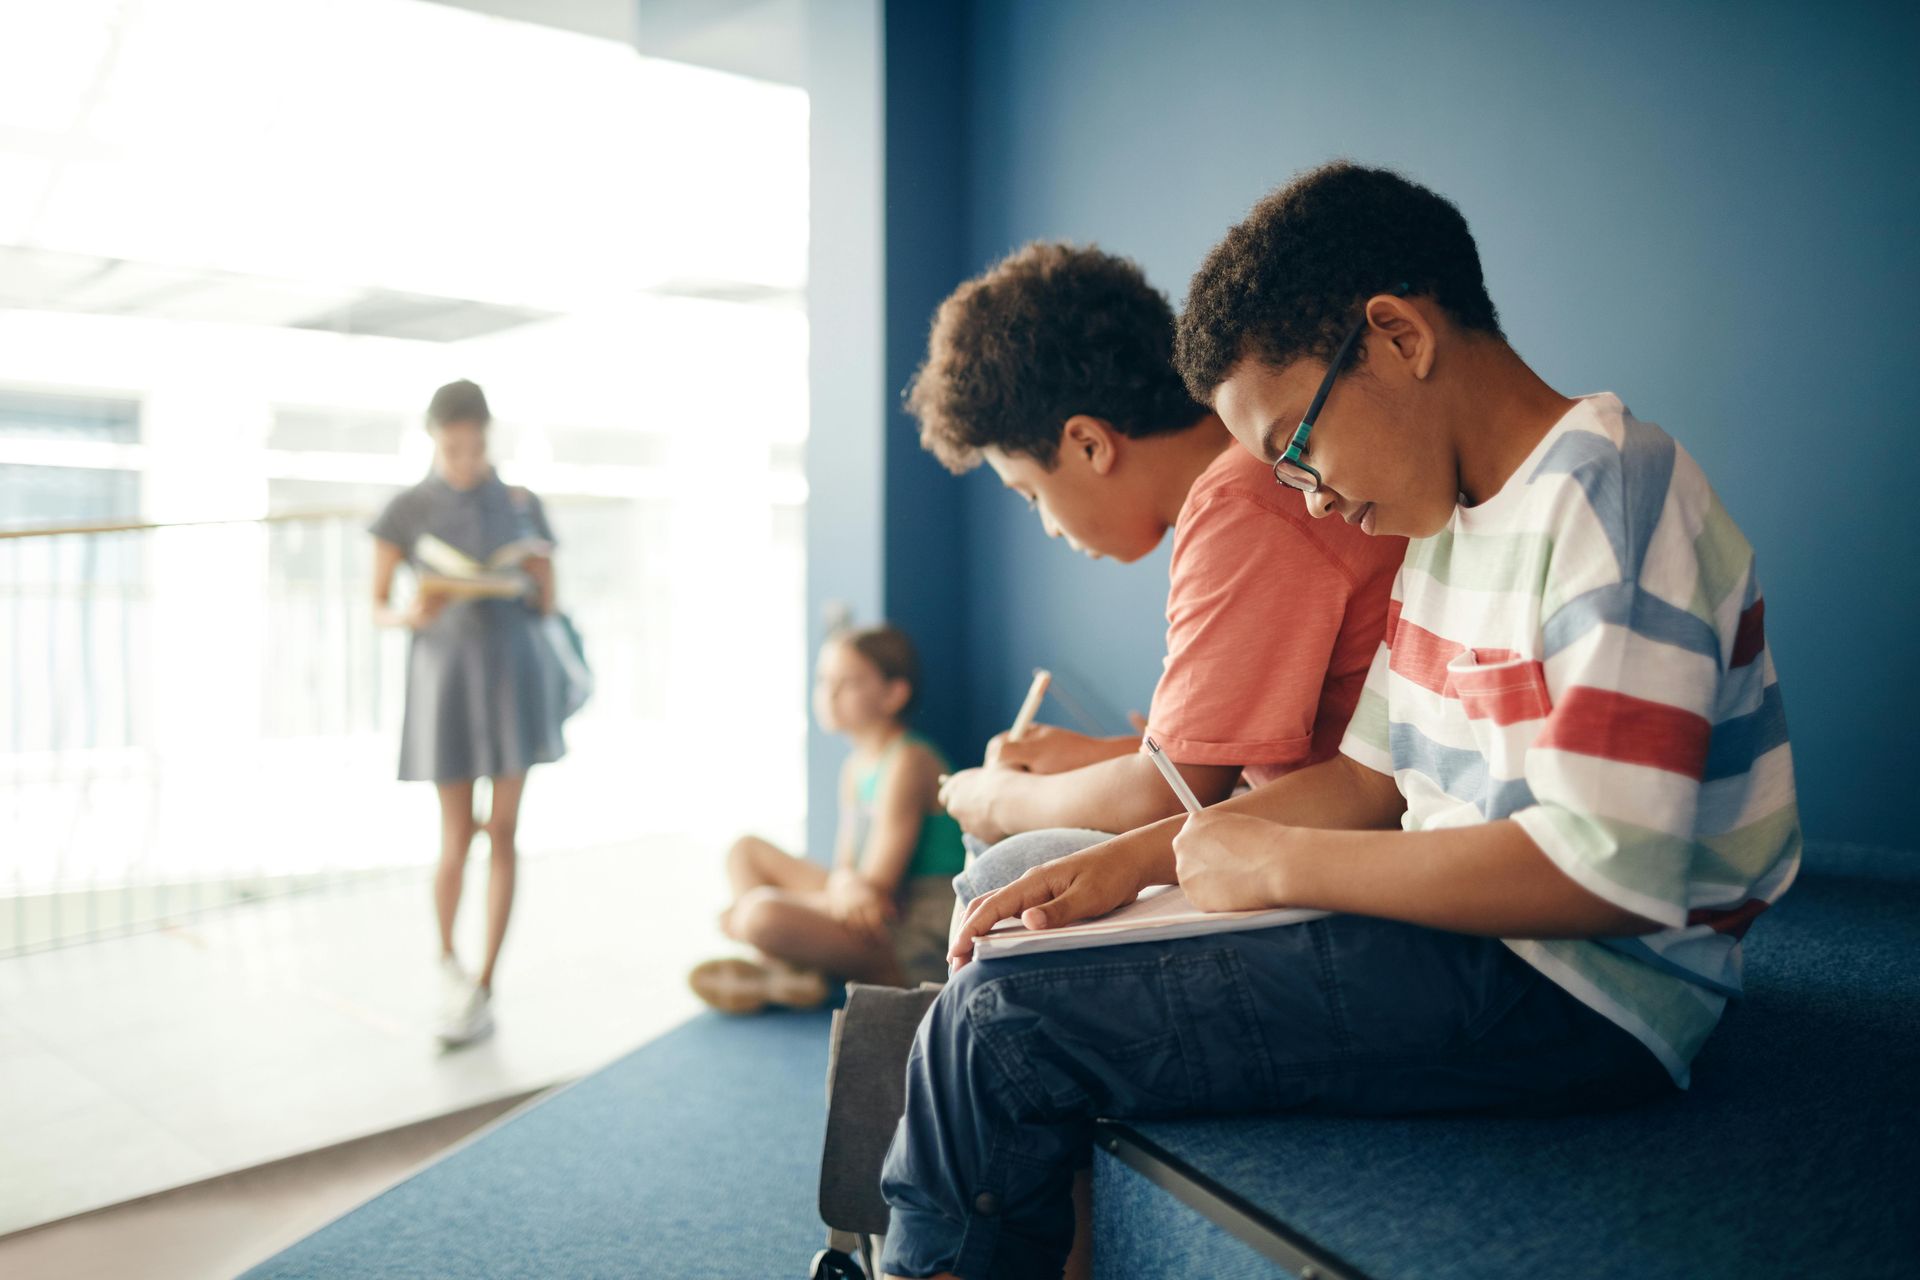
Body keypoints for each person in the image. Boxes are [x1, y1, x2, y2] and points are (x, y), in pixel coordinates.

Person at [880, 164, 1800, 1280]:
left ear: (1398, 338)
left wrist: (1279, 864)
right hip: (1467, 943)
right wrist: (1136, 859)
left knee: (1000, 1023)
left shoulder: (1612, 489)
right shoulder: (1447, 531)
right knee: (1023, 933)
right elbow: (1370, 777)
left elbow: (1609, 870)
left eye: (1298, 446)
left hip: (1579, 992)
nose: (1310, 495)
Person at [910, 242, 1405, 909]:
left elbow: (1170, 793)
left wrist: (1000, 797)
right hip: (1324, 825)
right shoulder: (1243, 482)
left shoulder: (1242, 501)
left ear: (1089, 443)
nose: (1048, 527)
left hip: (1355, 865)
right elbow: (1213, 766)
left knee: (1006, 859)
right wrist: (1103, 758)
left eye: (1031, 496)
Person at [369, 379, 565, 1049]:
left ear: (487, 438)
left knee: (504, 831)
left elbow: (547, 604)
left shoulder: (520, 504)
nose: (465, 459)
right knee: (455, 834)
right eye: (452, 448)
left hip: (513, 674)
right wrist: (410, 613)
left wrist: (539, 579)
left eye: (474, 447)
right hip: (446, 679)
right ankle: (448, 963)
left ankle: (486, 982)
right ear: (434, 440)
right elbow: (377, 606)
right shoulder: (406, 509)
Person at [690, 625, 965, 1013]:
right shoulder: (855, 767)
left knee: (759, 913)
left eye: (848, 683)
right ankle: (787, 972)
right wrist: (842, 884)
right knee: (745, 851)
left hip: (911, 922)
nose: (829, 694)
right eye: (823, 680)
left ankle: (798, 967)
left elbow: (876, 888)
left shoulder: (909, 760)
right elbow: (845, 871)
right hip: (867, 902)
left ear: (893, 694)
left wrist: (760, 906)